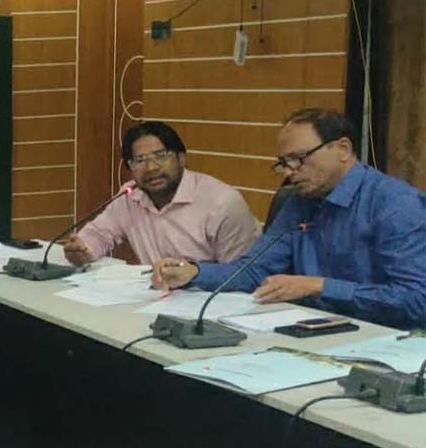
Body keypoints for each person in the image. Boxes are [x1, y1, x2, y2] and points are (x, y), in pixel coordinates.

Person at [152, 108, 426, 330]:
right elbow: (254, 271)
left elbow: (417, 300)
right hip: (310, 332)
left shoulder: (396, 205)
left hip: (383, 340)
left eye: (299, 158)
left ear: (342, 149)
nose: (290, 172)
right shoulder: (299, 201)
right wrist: (193, 272)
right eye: (284, 162)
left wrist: (319, 286)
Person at [61, 121, 260, 266]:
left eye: (160, 156)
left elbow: (243, 272)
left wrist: (194, 276)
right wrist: (83, 250)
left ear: (181, 158)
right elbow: (99, 233)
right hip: (157, 299)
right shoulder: (130, 196)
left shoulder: (222, 203)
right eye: (139, 160)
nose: (151, 168)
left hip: (209, 303)